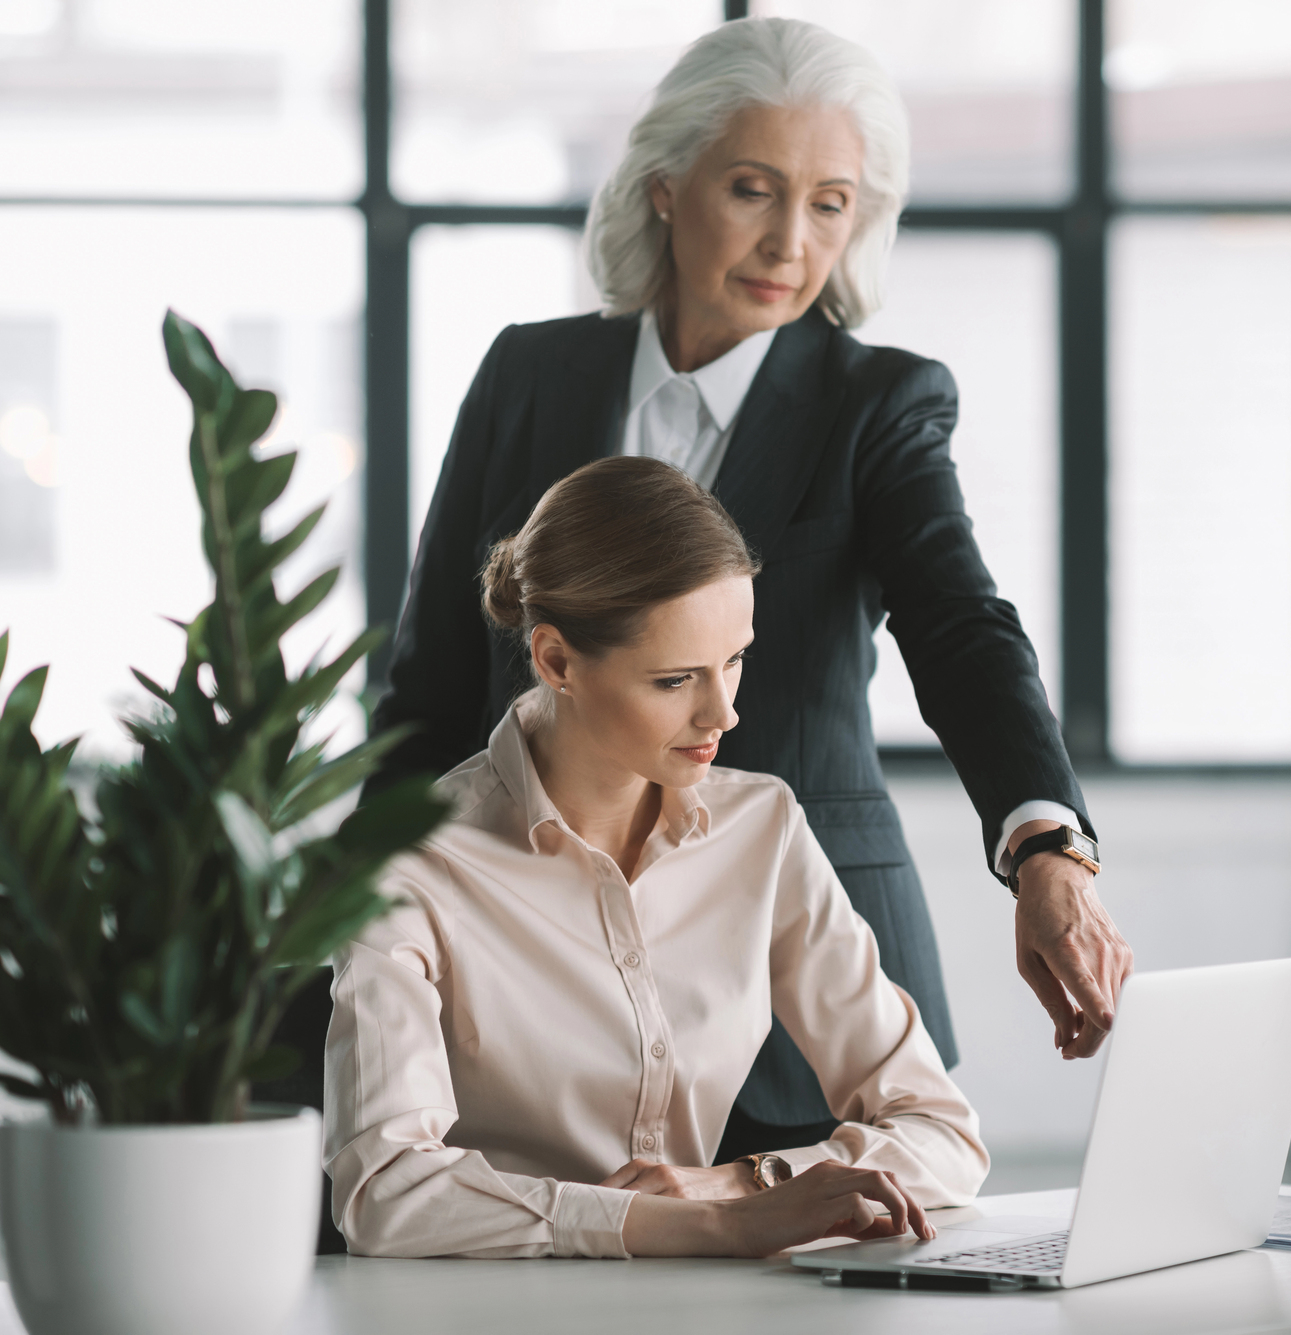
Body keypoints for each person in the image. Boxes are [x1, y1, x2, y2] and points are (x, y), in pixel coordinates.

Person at [367, 17, 1132, 1160]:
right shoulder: (528, 375)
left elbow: (962, 628)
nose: (790, 240)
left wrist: (1043, 847)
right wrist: (347, 925)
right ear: (665, 187)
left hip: (792, 982)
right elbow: (430, 683)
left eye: (830, 202)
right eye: (751, 189)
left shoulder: (878, 404)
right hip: (523, 958)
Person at [327, 457, 987, 1258]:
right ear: (557, 661)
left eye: (735, 659)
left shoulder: (762, 826)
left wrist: (739, 1183)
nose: (725, 712)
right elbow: (386, 1194)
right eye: (676, 679)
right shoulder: (411, 866)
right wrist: (704, 1225)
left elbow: (944, 1134)